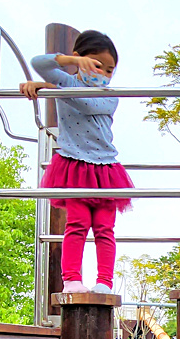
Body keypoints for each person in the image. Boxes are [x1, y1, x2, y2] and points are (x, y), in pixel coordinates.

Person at [20, 31, 131, 293]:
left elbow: (86, 104)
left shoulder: (108, 95)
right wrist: (68, 61)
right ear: (80, 59)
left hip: (105, 168)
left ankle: (104, 281)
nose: (102, 73)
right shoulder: (65, 81)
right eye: (97, 65)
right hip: (75, 163)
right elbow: (39, 63)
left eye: (110, 70)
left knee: (104, 227)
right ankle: (71, 279)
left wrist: (51, 89)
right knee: (77, 223)